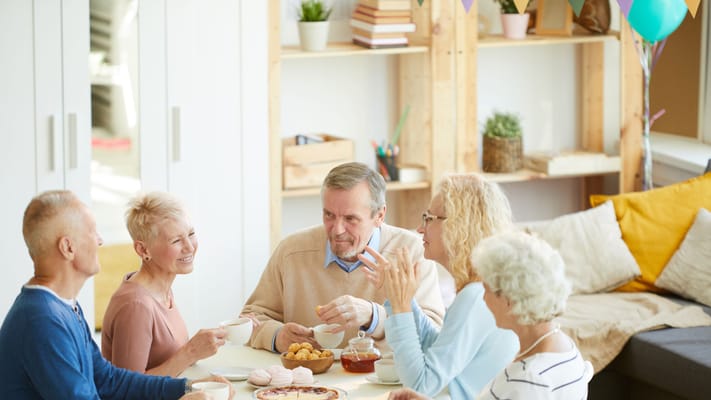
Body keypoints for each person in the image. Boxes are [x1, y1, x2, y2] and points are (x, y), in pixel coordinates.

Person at [0, 190, 231, 399]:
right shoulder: (41, 321)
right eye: (91, 232)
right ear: (68, 247)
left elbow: (107, 379)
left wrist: (187, 387)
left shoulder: (63, 307)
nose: (100, 240)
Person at [241, 162, 445, 353]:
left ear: (380, 216)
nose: (337, 230)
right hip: (305, 385)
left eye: (350, 219)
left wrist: (374, 317)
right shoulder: (292, 251)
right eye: (329, 215)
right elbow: (251, 318)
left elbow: (434, 336)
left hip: (383, 385)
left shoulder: (412, 252)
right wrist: (277, 336)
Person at [360, 173, 519, 399]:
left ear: (459, 225)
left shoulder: (476, 296)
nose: (420, 228)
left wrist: (402, 307)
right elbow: (434, 349)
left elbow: (420, 386)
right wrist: (400, 298)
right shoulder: (479, 288)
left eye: (429, 218)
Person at [388, 231, 593, 400]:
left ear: (509, 300)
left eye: (485, 290)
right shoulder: (566, 349)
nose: (483, 299)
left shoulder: (528, 382)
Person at [102, 191, 230, 376]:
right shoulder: (136, 306)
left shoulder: (162, 291)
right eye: (176, 240)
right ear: (143, 249)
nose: (189, 247)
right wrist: (190, 352)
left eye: (191, 234)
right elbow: (128, 391)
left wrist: (197, 351)